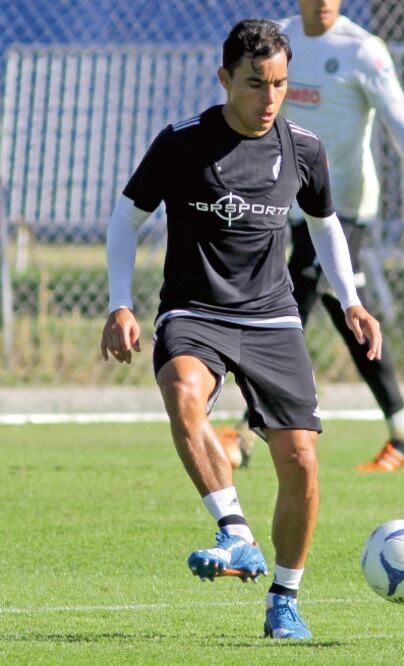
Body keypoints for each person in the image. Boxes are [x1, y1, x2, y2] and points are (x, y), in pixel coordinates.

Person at [99, 19, 381, 640]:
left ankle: (284, 600)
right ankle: (235, 534)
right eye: (256, 84)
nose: (270, 97)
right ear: (225, 79)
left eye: (280, 83)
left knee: (301, 460)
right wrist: (120, 304)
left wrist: (352, 300)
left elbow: (324, 224)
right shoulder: (181, 143)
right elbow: (125, 221)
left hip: (272, 317)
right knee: (182, 391)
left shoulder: (302, 147)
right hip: (194, 311)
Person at [219, 0, 404, 473]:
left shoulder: (362, 50)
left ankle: (249, 432)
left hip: (346, 206)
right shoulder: (279, 41)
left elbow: (399, 120)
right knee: (343, 303)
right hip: (293, 198)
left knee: (296, 292)